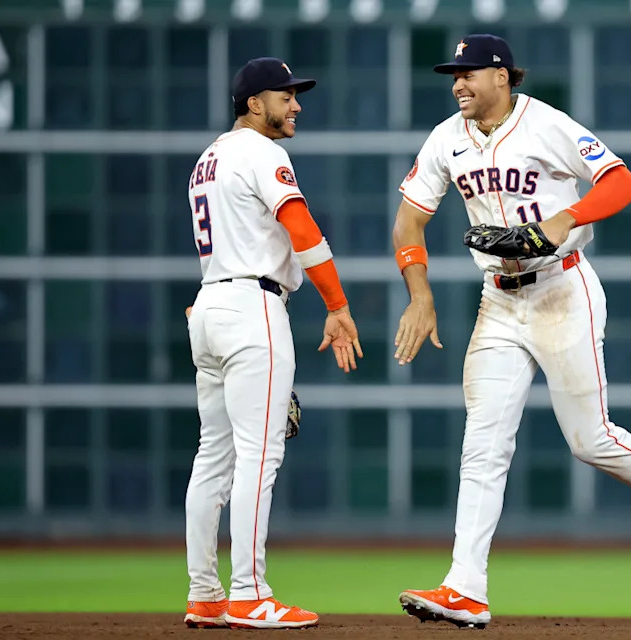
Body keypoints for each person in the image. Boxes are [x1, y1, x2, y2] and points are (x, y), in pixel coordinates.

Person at [392, 34, 631, 629]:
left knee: (589, 440)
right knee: (483, 445)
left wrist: (564, 217)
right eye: (452, 75)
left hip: (563, 289)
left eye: (468, 73)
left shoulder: (547, 125)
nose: (458, 84)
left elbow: (621, 182)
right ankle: (465, 587)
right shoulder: (445, 139)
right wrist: (420, 292)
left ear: (502, 77)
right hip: (499, 301)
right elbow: (411, 216)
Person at [182, 57, 362, 630]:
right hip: (251, 308)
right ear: (254, 103)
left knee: (214, 455)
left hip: (209, 303)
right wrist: (337, 305)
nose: (296, 105)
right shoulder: (263, 152)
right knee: (261, 454)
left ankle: (204, 594)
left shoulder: (206, 160)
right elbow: (302, 229)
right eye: (286, 96)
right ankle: (250, 593)